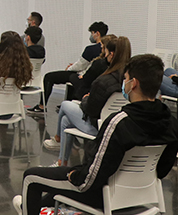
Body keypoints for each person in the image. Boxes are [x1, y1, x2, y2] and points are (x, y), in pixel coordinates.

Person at [0, 53, 178, 215]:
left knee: (32, 178)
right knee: (56, 184)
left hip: (104, 195)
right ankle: (33, 208)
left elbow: (90, 178)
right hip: (142, 197)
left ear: (134, 83)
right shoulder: (172, 122)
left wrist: (74, 176)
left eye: (126, 78)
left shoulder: (120, 121)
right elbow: (162, 169)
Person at [44, 36, 131, 166]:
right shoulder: (130, 80)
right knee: (65, 121)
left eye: (105, 51)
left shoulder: (103, 81)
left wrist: (85, 99)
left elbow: (91, 109)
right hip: (120, 127)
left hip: (99, 127)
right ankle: (61, 161)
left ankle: (58, 143)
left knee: (65, 105)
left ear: (111, 54)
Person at [41, 21, 109, 110]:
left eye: (92, 33)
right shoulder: (109, 50)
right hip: (93, 77)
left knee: (49, 77)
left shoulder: (91, 49)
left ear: (97, 33)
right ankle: (68, 103)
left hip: (83, 76)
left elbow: (79, 66)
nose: (91, 36)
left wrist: (69, 68)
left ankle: (41, 106)